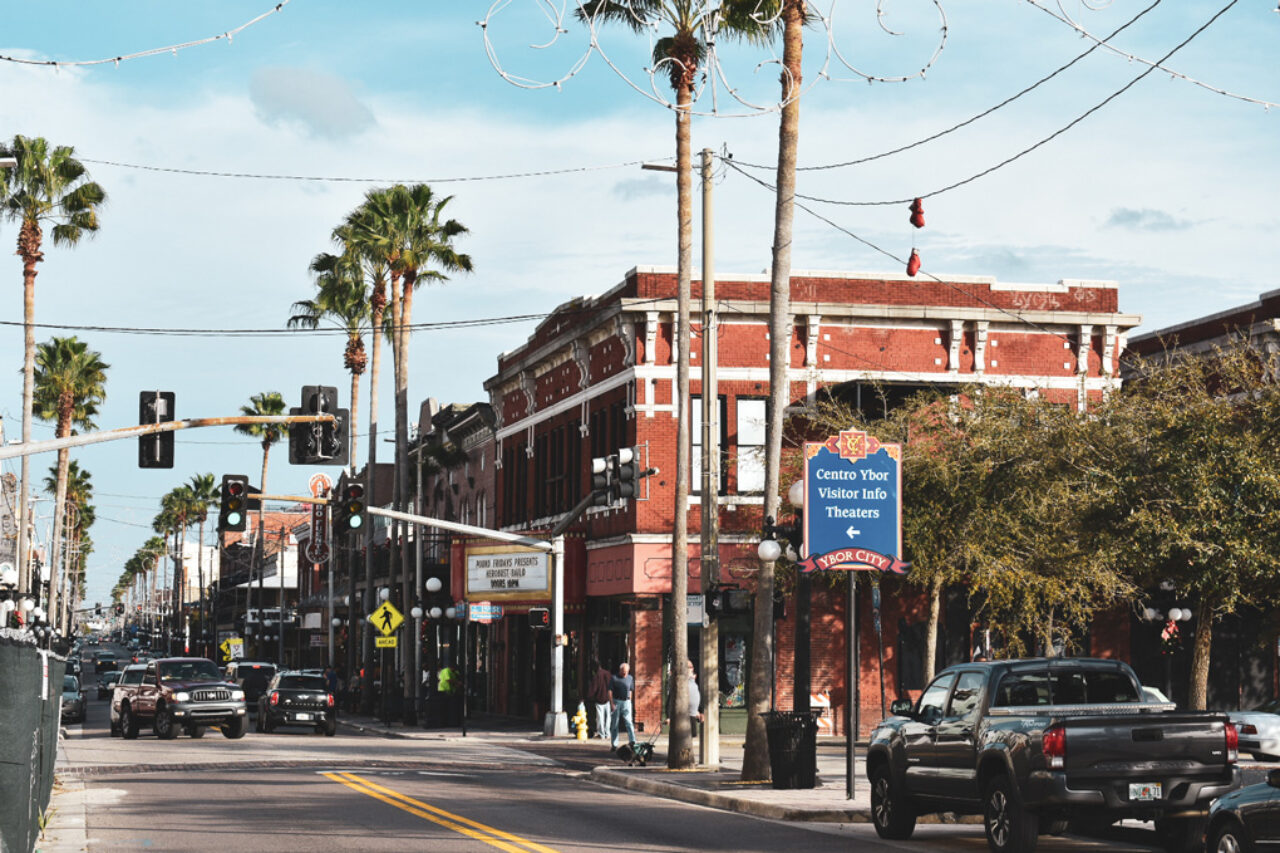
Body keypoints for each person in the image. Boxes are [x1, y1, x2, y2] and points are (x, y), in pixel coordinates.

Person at [665, 659, 703, 733]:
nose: (691, 670)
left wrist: (699, 711)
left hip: (691, 715)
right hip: (681, 716)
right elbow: (670, 702)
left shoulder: (693, 683)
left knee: (689, 737)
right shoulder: (679, 684)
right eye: (689, 668)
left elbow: (696, 698)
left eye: (691, 668)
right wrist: (669, 717)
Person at [609, 661, 637, 750]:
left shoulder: (630, 678)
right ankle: (614, 744)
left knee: (629, 722)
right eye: (623, 671)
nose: (625, 673)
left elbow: (631, 690)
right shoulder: (614, 678)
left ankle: (632, 741)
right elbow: (610, 691)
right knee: (615, 723)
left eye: (626, 671)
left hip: (626, 702)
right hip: (616, 701)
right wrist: (611, 703)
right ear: (620, 670)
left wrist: (630, 701)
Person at [587, 659, 612, 740]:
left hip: (599, 699)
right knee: (608, 717)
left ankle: (601, 734)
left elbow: (593, 689)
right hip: (608, 699)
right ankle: (607, 733)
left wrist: (589, 696)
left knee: (600, 718)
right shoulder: (608, 674)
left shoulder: (596, 676)